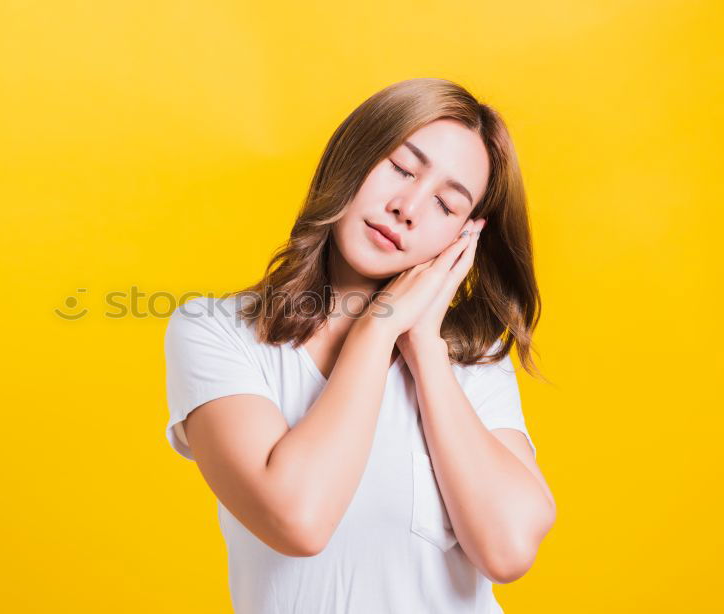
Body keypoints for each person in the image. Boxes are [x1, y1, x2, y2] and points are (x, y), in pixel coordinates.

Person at [163, 77, 556, 613]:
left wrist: (423, 348)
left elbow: (508, 551)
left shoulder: (472, 361)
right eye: (400, 168)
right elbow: (297, 520)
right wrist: (377, 330)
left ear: (463, 237)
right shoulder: (217, 331)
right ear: (352, 156)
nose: (409, 207)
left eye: (446, 203)